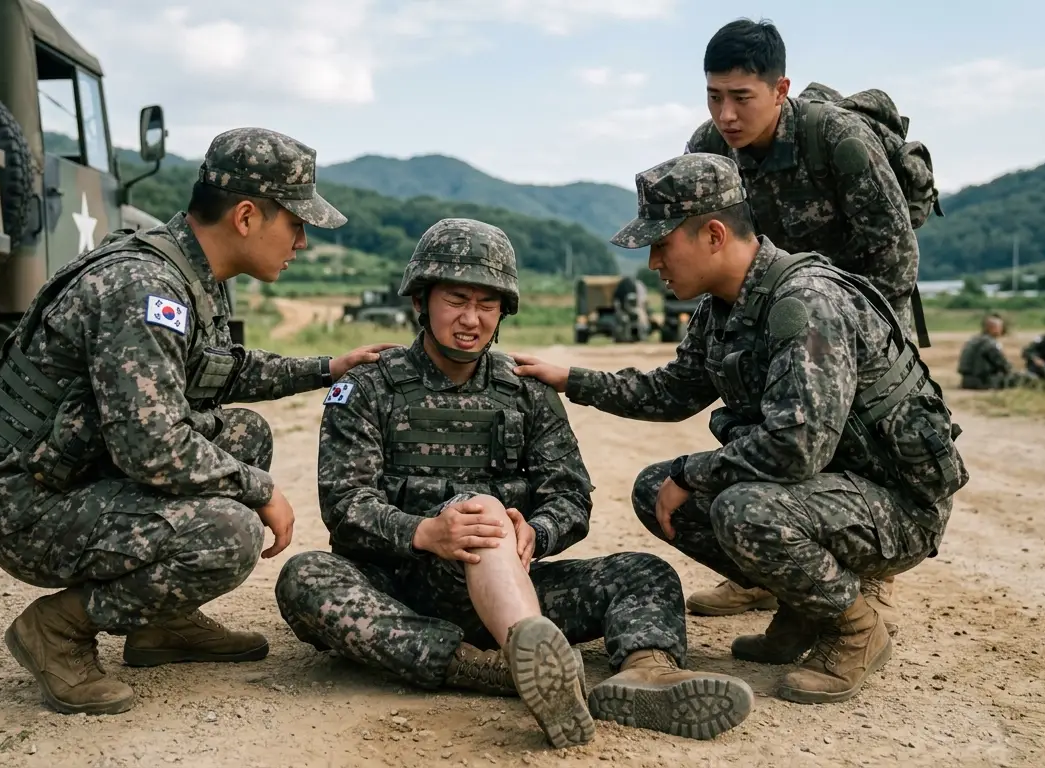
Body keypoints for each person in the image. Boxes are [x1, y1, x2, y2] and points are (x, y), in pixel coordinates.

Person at [275, 218, 755, 747]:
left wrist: (536, 533)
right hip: (400, 591)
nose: (471, 319)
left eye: (487, 304)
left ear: (504, 311)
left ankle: (646, 673)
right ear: (421, 300)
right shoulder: (368, 388)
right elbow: (346, 505)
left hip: (514, 587)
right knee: (306, 578)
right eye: (456, 300)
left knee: (645, 573)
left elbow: (570, 496)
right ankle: (493, 668)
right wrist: (427, 533)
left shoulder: (524, 392)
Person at [0, 127, 395, 716]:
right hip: (26, 504)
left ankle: (159, 624)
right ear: (246, 216)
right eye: (296, 224)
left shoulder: (189, 273)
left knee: (245, 435)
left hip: (69, 471)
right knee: (229, 533)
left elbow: (215, 370)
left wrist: (326, 368)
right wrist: (260, 490)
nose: (301, 241)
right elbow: (152, 445)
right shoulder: (145, 288)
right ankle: (57, 630)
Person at [513, 153, 968, 705]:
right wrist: (571, 379)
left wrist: (693, 471)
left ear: (713, 234)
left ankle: (854, 628)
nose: (653, 262)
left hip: (896, 508)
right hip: (831, 492)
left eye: (662, 244)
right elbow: (672, 391)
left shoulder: (806, 302)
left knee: (742, 508)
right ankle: (804, 608)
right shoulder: (723, 308)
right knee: (657, 490)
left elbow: (797, 447)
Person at [682, 18, 932, 618]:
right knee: (760, 424)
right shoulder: (709, 148)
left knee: (854, 433)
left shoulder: (838, 139)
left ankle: (866, 569)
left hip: (860, 312)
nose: (726, 115)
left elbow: (896, 256)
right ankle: (759, 570)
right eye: (714, 96)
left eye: (741, 97)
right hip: (770, 311)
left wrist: (846, 337)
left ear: (780, 89)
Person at [958, 315, 1034, 390]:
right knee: (1028, 378)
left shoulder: (973, 340)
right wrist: (1014, 372)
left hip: (966, 381)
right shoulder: (990, 343)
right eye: (1000, 327)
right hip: (984, 381)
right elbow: (1002, 364)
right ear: (994, 328)